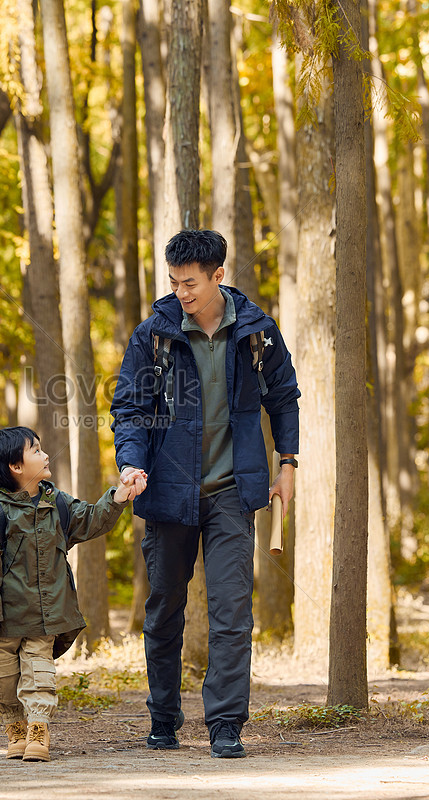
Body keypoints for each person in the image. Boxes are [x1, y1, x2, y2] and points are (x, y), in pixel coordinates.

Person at [111, 229, 300, 758]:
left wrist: (287, 464)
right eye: (173, 282)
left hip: (233, 492)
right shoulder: (155, 334)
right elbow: (128, 409)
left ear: (219, 275)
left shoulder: (257, 333)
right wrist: (132, 463)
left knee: (232, 612)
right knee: (165, 608)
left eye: (190, 283)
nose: (181, 293)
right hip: (168, 493)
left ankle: (225, 725)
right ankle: (164, 718)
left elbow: (284, 399)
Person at [0, 426, 147, 763]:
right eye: (35, 450)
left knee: (39, 677)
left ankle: (38, 731)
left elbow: (92, 519)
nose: (45, 454)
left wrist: (118, 496)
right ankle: (15, 728)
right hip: (3, 622)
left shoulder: (58, 506)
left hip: (43, 617)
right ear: (15, 467)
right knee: (4, 684)